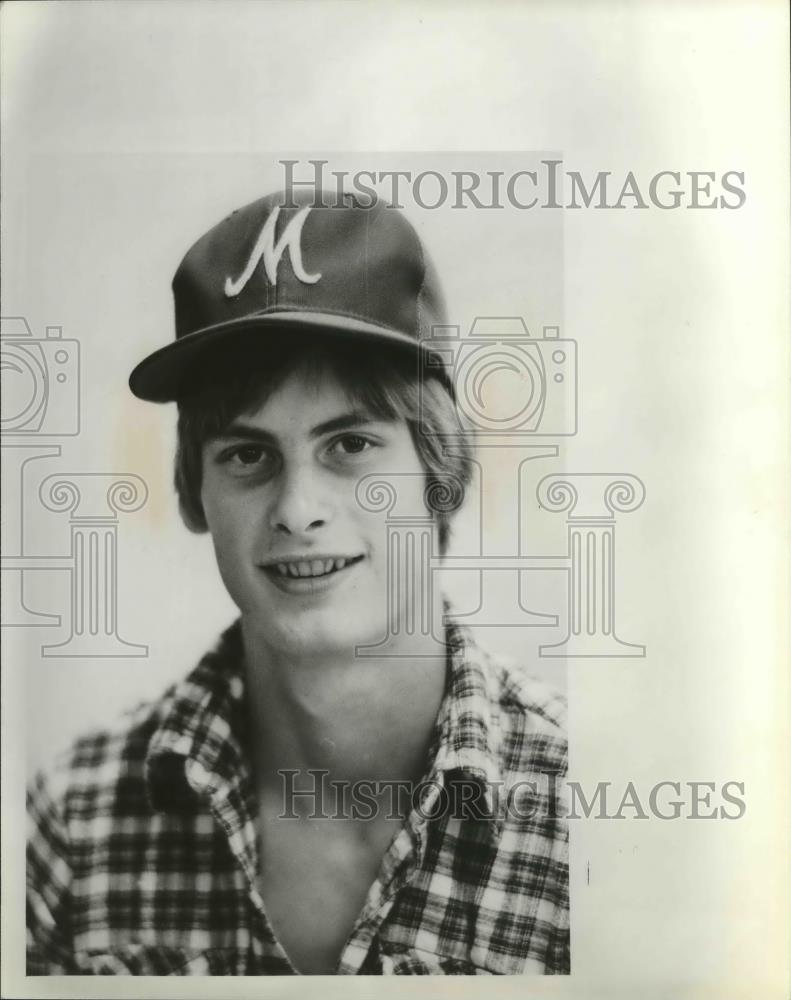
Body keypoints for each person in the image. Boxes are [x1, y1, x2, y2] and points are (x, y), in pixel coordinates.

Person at [26, 188, 569, 976]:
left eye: (349, 444)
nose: (297, 509)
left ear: (438, 470)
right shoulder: (77, 822)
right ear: (192, 493)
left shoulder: (575, 815)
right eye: (247, 454)